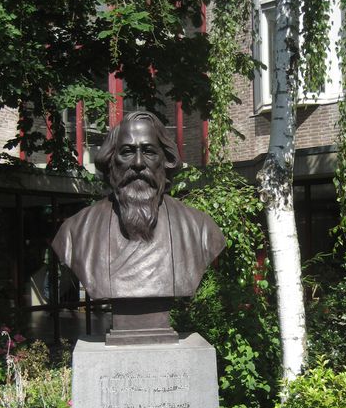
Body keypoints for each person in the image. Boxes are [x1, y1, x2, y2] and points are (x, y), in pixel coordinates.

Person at [52, 111, 225, 301]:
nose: (138, 163)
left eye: (149, 151)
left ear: (165, 160)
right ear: (111, 161)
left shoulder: (200, 229)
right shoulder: (75, 232)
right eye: (127, 152)